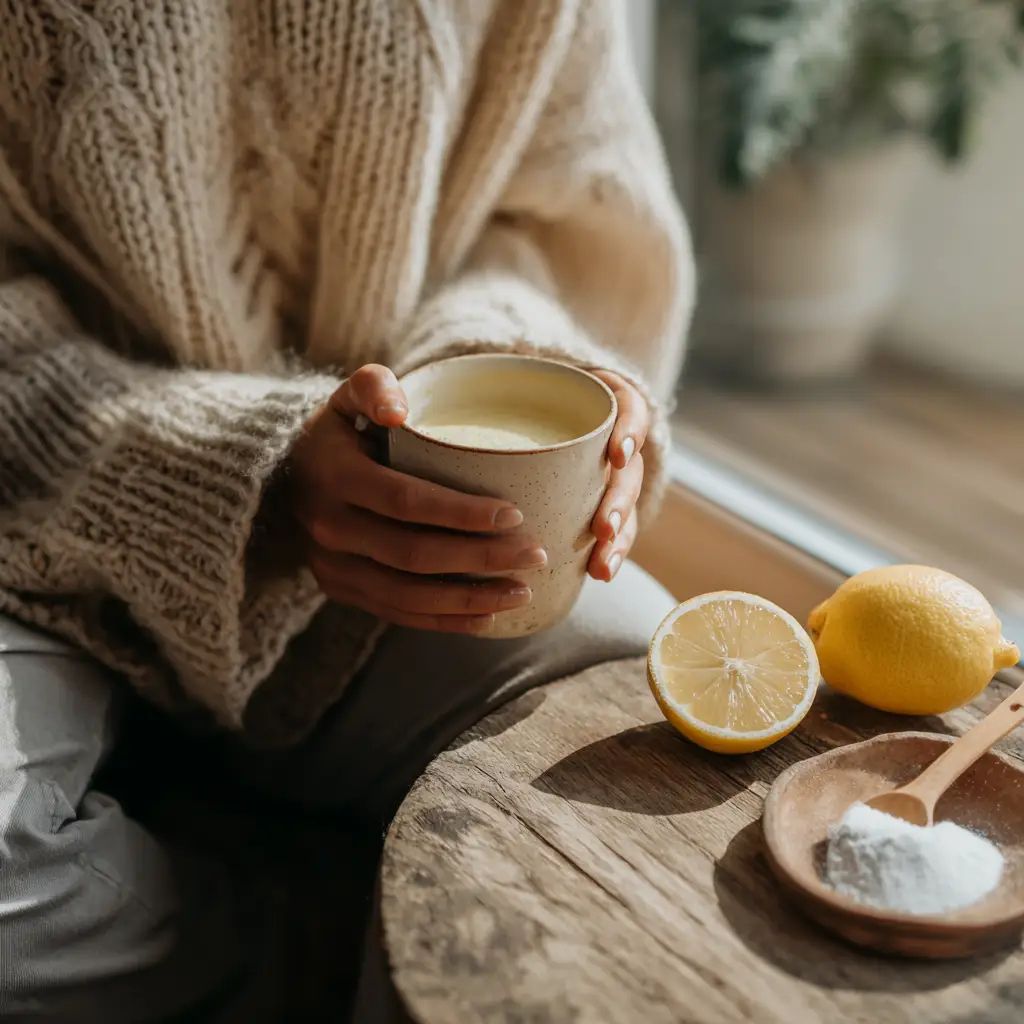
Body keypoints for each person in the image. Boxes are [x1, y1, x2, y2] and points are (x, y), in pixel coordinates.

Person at [0, 1, 693, 1019]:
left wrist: (492, 367)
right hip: (32, 509)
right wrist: (245, 477)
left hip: (381, 525)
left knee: (637, 686)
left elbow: (552, 212)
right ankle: (340, 942)